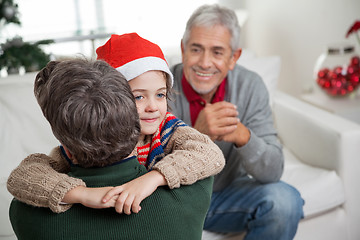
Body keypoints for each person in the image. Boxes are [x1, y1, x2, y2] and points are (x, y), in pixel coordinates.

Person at [7, 33, 225, 215]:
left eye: (160, 95)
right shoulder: (85, 145)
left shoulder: (167, 130)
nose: (153, 107)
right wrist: (82, 194)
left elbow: (210, 155)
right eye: (138, 97)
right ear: (112, 100)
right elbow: (22, 178)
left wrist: (153, 178)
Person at [168, 4, 304, 240]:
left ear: (234, 57)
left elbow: (272, 172)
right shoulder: (163, 89)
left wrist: (244, 136)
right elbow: (147, 169)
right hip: (176, 200)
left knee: (285, 202)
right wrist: (198, 135)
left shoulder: (250, 86)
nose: (205, 63)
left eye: (218, 52)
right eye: (196, 49)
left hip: (227, 194)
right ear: (183, 50)